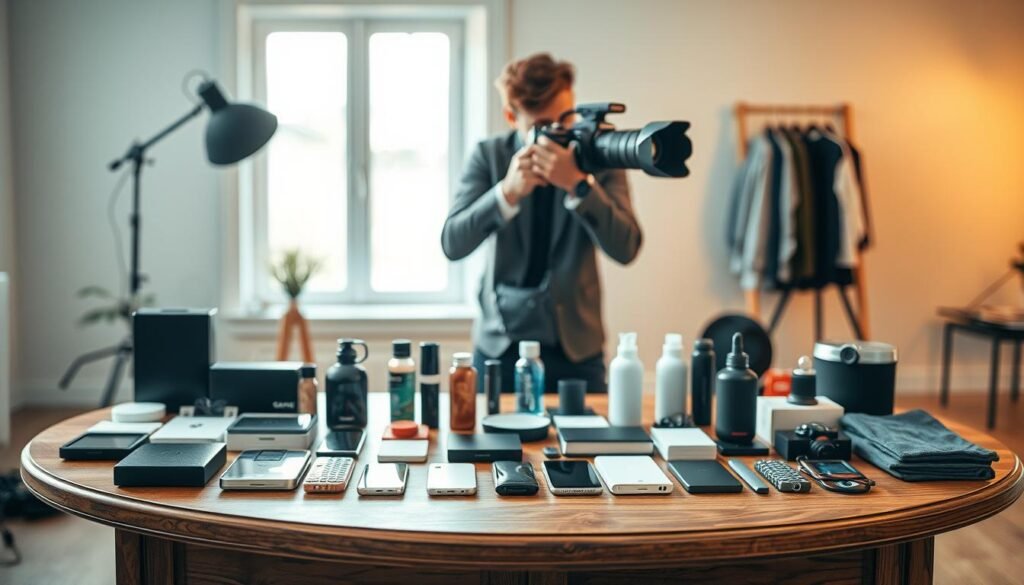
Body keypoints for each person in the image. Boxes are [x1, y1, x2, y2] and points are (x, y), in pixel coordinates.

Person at [441, 53, 643, 394]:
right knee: (490, 447)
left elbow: (626, 248)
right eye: (540, 125)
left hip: (577, 348)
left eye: (564, 119)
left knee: (585, 448)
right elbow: (453, 243)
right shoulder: (489, 156)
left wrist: (580, 185)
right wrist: (506, 193)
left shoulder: (597, 157)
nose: (555, 134)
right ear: (511, 116)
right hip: (499, 348)